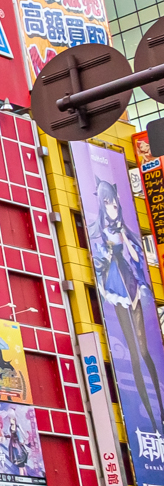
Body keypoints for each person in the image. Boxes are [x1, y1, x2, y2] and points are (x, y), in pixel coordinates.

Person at [88, 178, 164, 426]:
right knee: (133, 353)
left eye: (114, 202)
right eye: (107, 202)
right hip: (116, 286)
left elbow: (137, 257)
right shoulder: (101, 232)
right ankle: (151, 419)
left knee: (144, 351)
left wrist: (124, 237)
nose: (112, 206)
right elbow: (100, 262)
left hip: (130, 284)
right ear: (102, 204)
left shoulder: (123, 229)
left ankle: (161, 410)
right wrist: (108, 252)